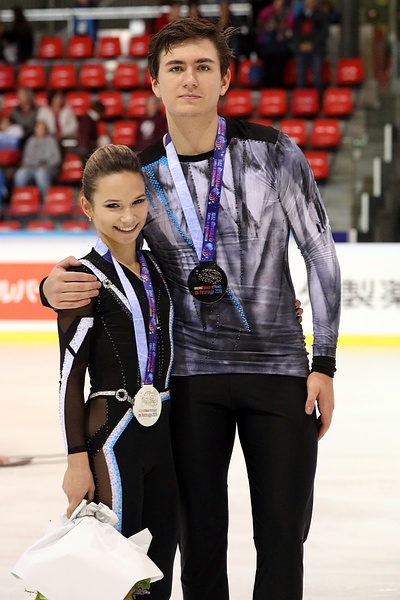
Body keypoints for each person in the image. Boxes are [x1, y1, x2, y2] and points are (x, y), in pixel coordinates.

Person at [40, 17, 341, 600]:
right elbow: (110, 259)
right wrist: (50, 287)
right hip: (189, 384)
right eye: (175, 68)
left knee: (283, 536)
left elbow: (321, 255)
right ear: (154, 82)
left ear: (226, 78)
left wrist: (324, 362)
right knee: (201, 539)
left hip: (279, 374)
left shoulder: (273, 153)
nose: (190, 79)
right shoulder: (145, 174)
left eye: (204, 67)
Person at [57, 144, 178, 600]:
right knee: (117, 581)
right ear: (87, 207)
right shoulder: (80, 279)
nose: (128, 217)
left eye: (137, 202)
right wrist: (74, 460)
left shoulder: (159, 271)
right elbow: (69, 377)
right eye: (112, 206)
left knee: (159, 571)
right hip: (111, 439)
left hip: (166, 434)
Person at [13, 120, 62, 202]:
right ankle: (21, 200)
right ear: (35, 129)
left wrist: (46, 163)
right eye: (38, 128)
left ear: (45, 130)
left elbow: (57, 158)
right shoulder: (30, 141)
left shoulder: (51, 140)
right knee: (20, 174)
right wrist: (29, 163)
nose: (40, 130)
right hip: (31, 167)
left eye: (42, 128)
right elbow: (26, 159)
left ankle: (45, 200)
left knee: (41, 173)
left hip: (48, 167)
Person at [292, 0, 329, 96]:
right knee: (300, 75)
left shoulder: (320, 16)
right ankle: (301, 99)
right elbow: (295, 33)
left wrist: (312, 44)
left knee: (317, 74)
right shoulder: (299, 16)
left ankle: (318, 100)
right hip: (302, 50)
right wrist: (300, 45)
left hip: (316, 50)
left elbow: (323, 33)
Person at [256, 0, 294, 88]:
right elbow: (262, 16)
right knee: (267, 67)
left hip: (280, 47)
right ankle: (266, 87)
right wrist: (274, 9)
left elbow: (290, 25)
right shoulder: (268, 11)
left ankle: (279, 88)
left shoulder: (287, 13)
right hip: (268, 46)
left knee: (279, 68)